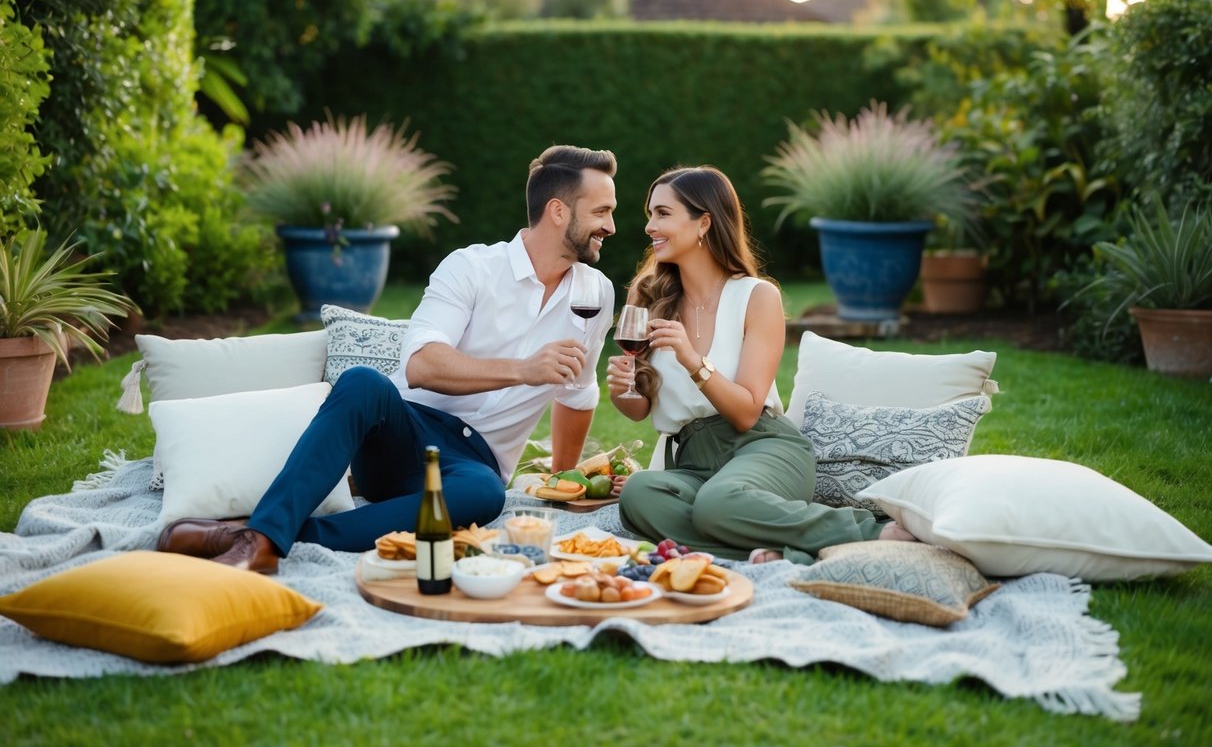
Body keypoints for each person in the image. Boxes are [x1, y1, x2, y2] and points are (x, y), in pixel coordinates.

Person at [157, 145, 619, 573]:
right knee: (362, 382)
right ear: (558, 211)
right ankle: (267, 532)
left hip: (473, 470)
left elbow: (578, 393)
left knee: (487, 494)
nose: (611, 226)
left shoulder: (595, 293)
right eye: (602, 212)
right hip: (404, 436)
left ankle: (258, 538)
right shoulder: (472, 268)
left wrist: (565, 479)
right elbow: (422, 365)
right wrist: (521, 370)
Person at [607, 166, 914, 565]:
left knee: (719, 503)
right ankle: (778, 549)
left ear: (704, 222)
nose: (650, 226)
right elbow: (641, 409)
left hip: (763, 448)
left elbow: (746, 412)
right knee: (639, 495)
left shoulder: (756, 297)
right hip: (692, 460)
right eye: (650, 214)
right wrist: (622, 392)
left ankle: (875, 532)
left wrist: (692, 360)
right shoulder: (649, 297)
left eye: (663, 213)